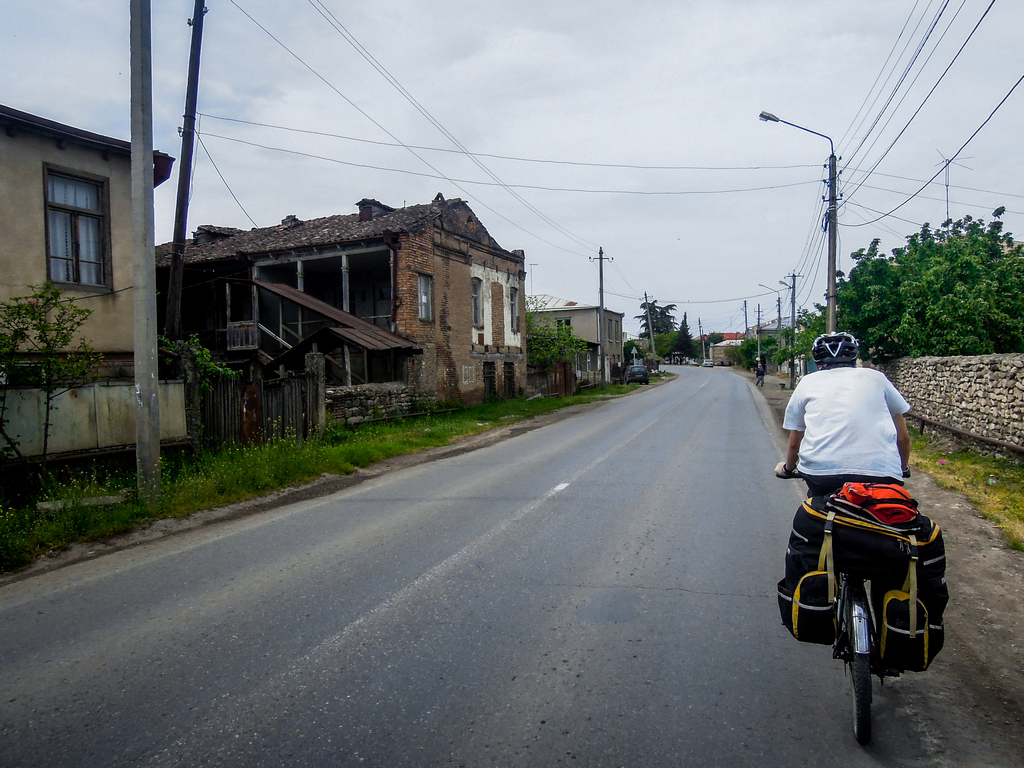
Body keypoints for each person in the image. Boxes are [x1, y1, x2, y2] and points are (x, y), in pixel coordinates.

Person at [775, 332, 912, 498]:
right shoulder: (877, 378)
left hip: (821, 474)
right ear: (853, 356)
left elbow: (794, 443)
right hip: (881, 473)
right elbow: (903, 438)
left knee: (817, 508)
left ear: (818, 359)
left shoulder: (807, 382)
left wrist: (788, 469)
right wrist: (902, 469)